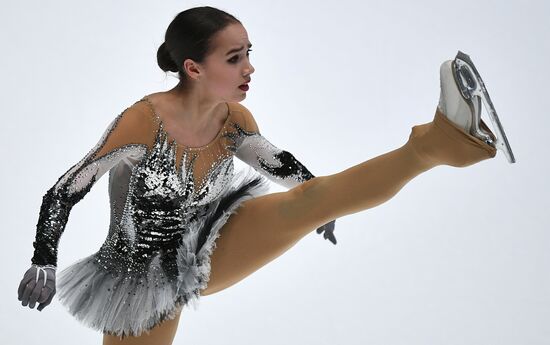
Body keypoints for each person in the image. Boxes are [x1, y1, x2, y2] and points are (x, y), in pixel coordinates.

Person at [17, 5, 515, 345]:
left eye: (250, 53)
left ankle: (441, 139)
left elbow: (281, 165)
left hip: (214, 236)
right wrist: (43, 258)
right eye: (235, 59)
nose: (249, 69)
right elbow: (66, 188)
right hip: (142, 276)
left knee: (312, 199)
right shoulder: (143, 120)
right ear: (192, 67)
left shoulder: (234, 121)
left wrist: (322, 202)